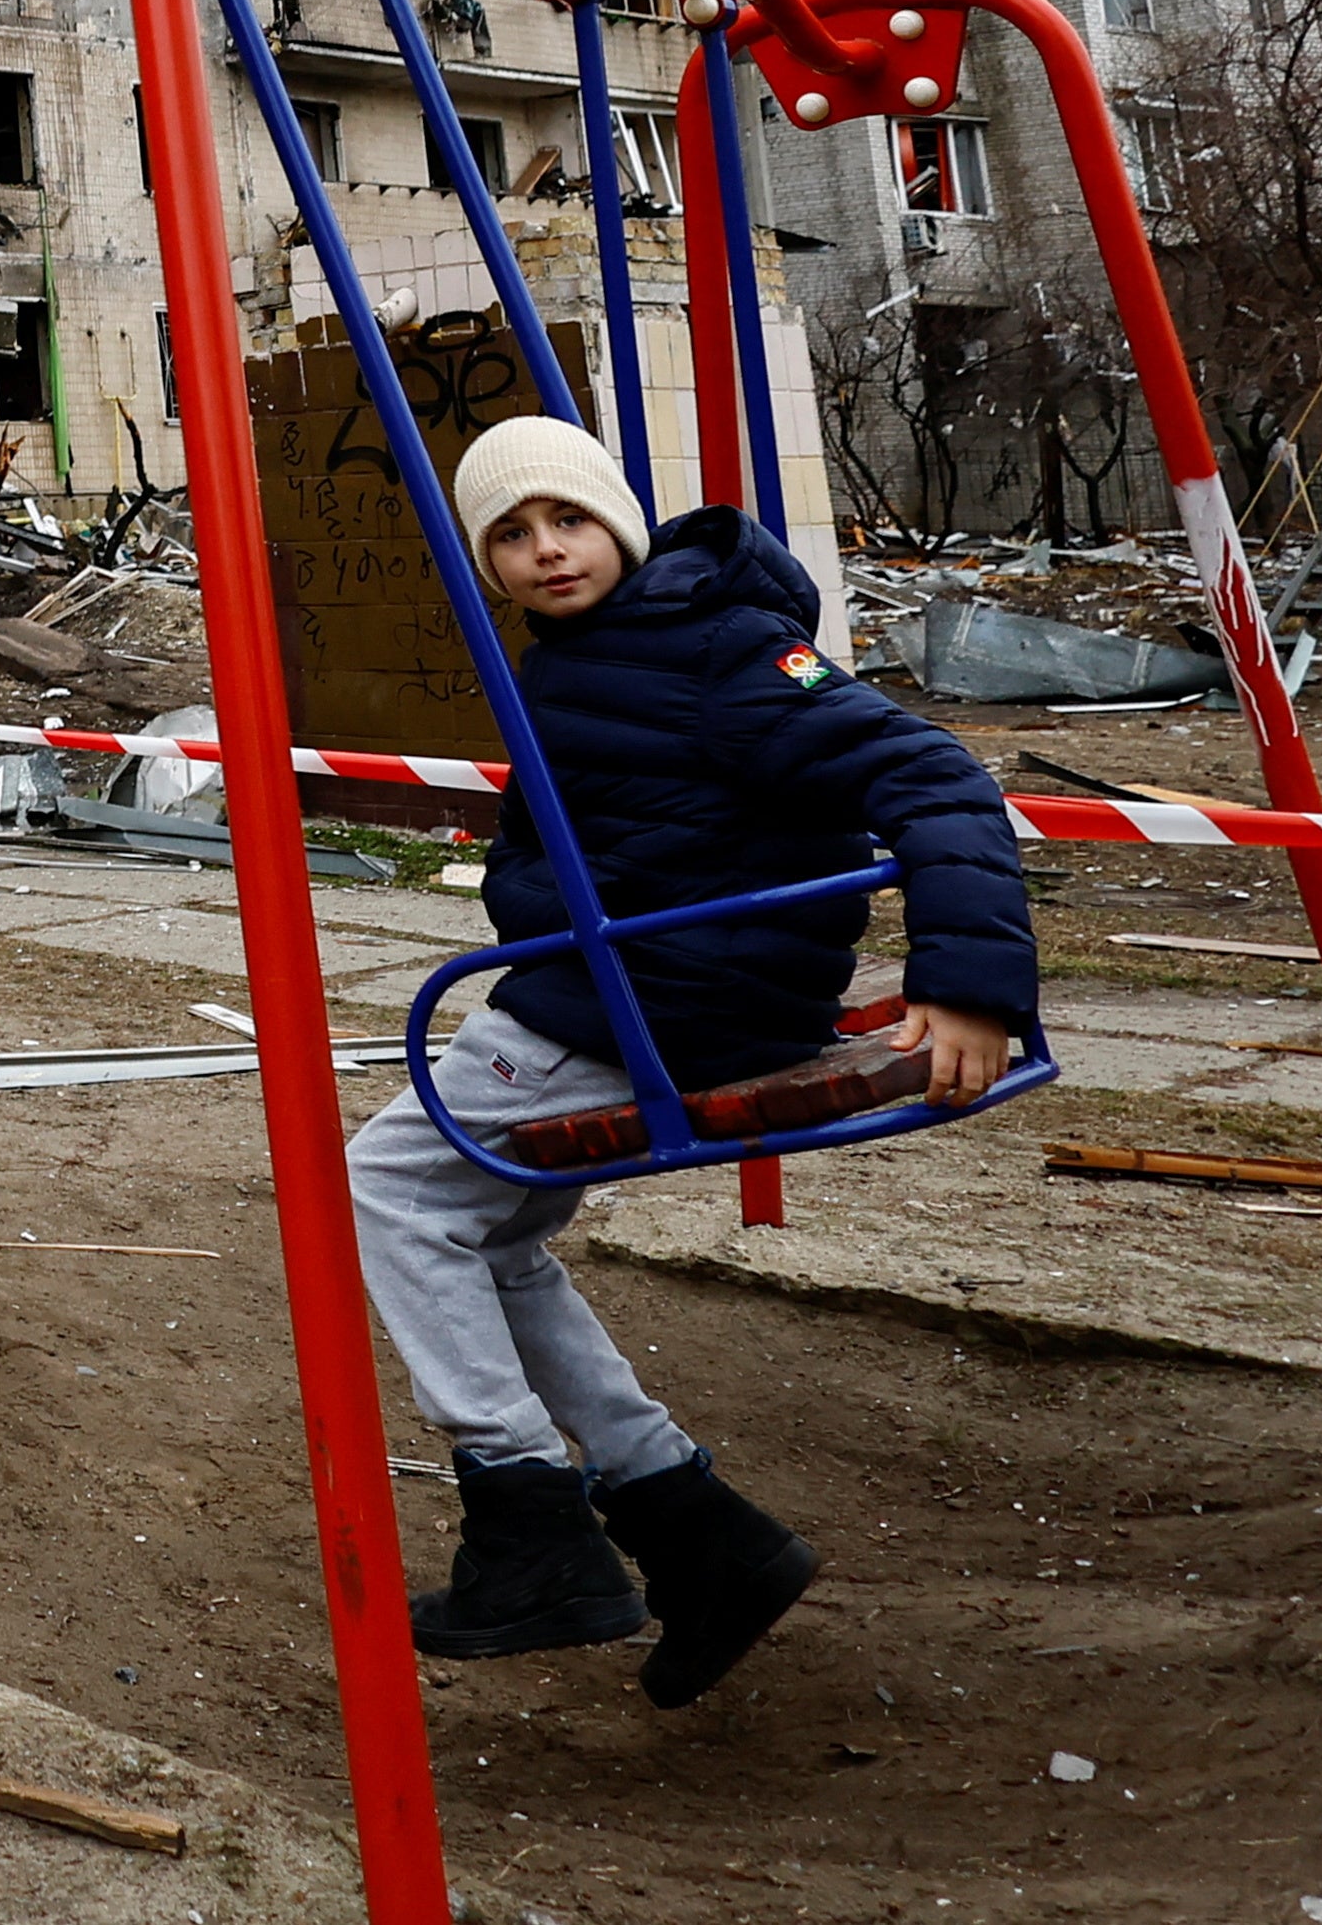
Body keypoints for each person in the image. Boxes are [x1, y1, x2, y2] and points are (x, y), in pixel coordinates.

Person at [347, 415, 1035, 1705]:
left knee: (383, 1187)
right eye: (511, 533)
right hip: (640, 982)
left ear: (622, 521)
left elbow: (936, 775)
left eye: (569, 520)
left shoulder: (717, 649)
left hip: (661, 1003)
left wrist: (967, 986)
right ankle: (695, 1531)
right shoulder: (598, 649)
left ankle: (527, 1518)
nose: (548, 552)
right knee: (490, 1235)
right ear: (484, 561)